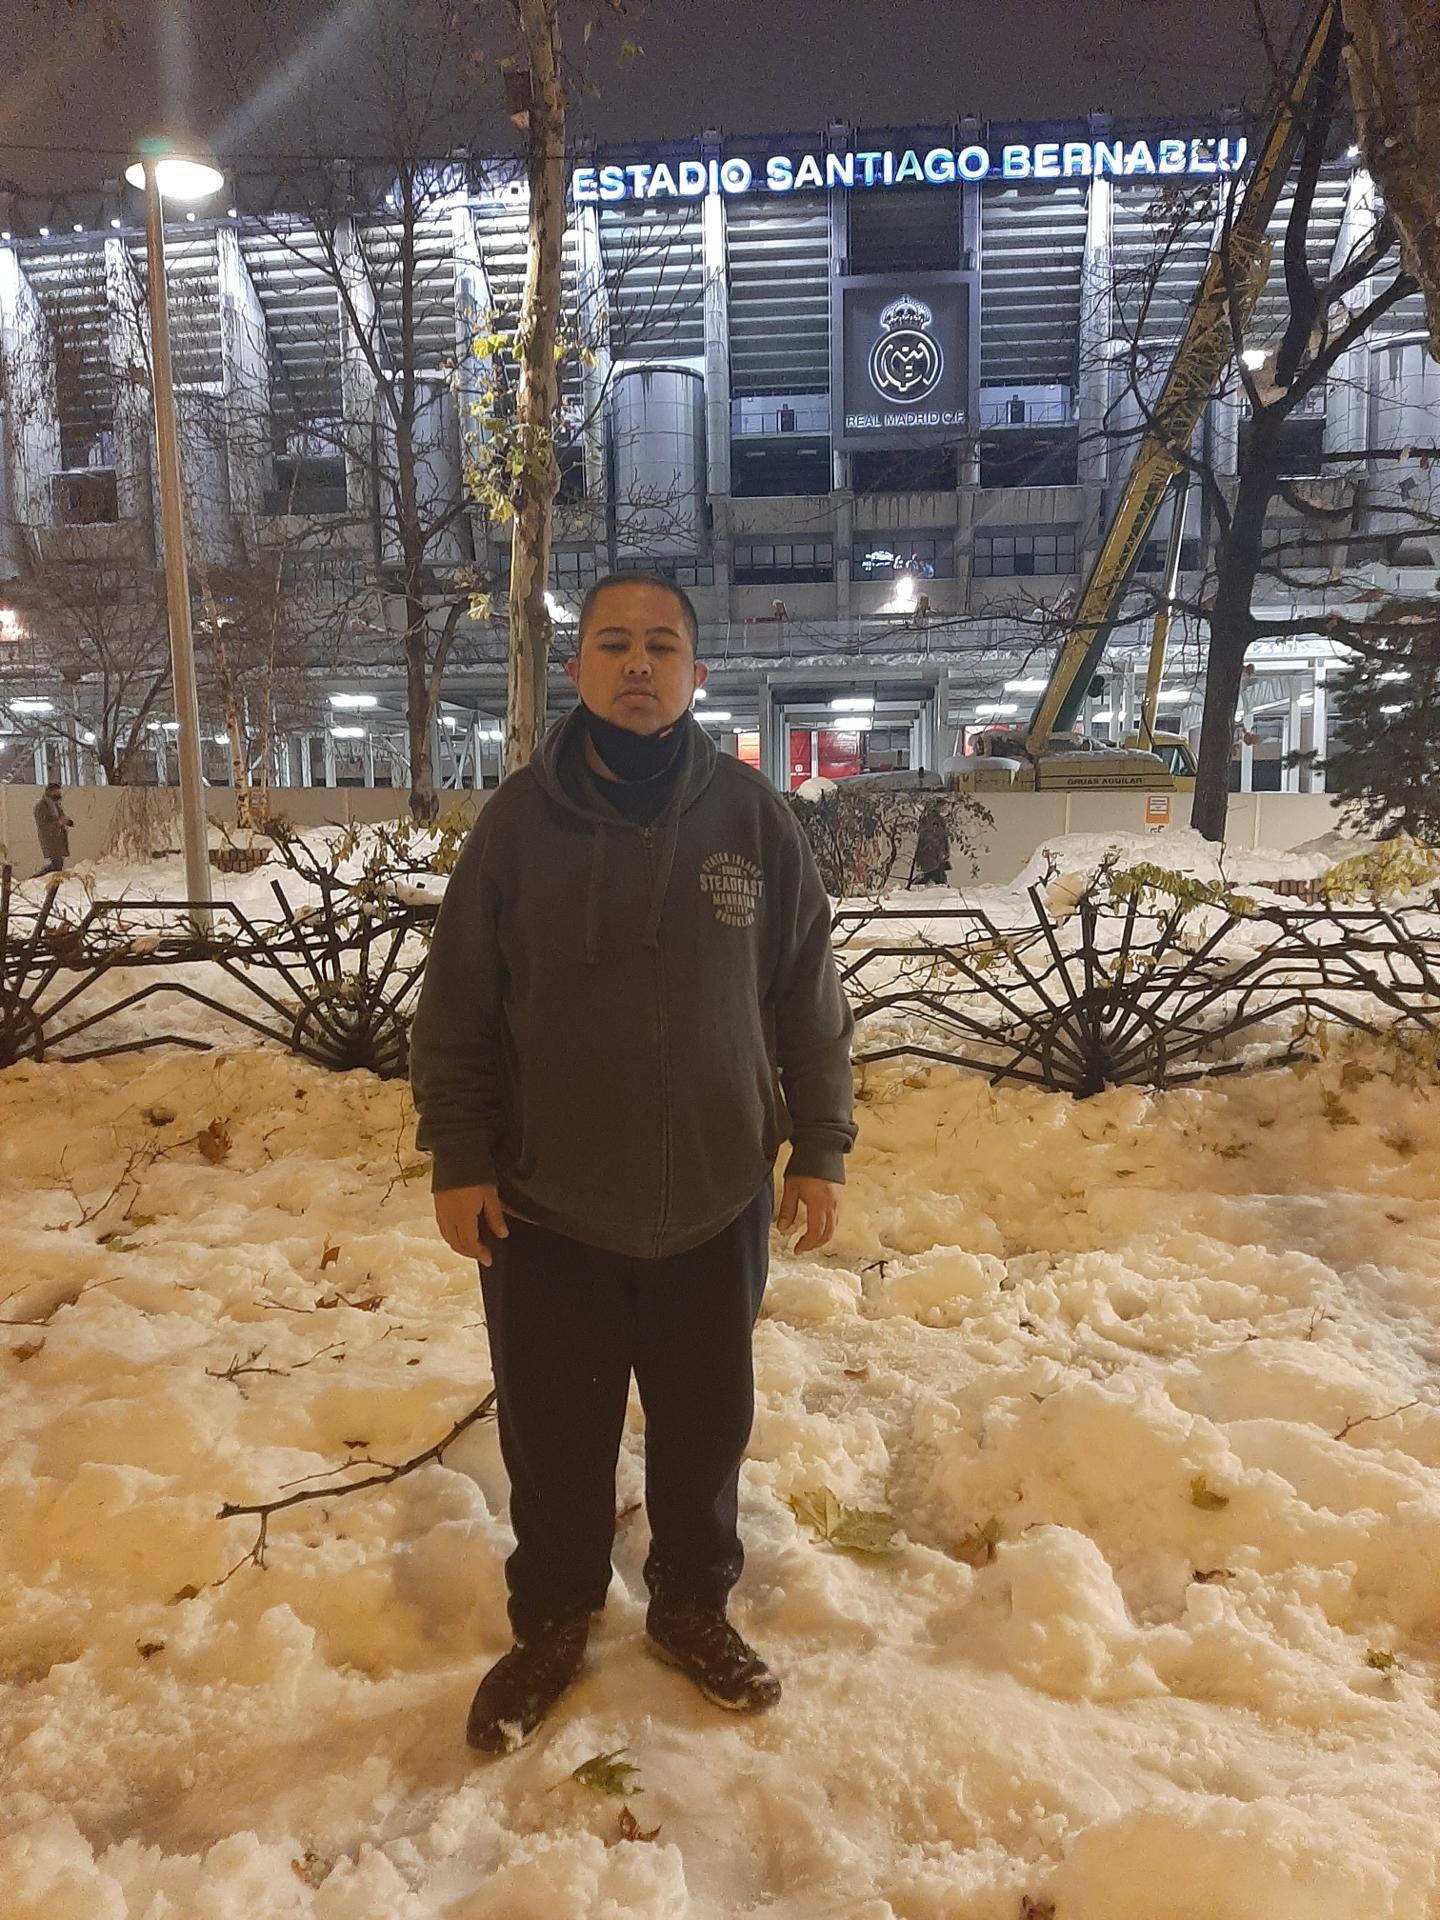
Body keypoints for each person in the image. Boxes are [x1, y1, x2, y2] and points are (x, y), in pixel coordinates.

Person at [409, 571, 856, 1755]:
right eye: (614, 644)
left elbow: (809, 998)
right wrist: (458, 1154)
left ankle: (692, 1606)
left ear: (697, 672)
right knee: (555, 1441)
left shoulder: (753, 820)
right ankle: (554, 1619)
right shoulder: (519, 825)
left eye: (662, 644)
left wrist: (821, 1144)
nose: (639, 663)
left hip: (716, 1199)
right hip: (546, 1208)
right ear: (579, 669)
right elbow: (457, 1007)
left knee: (706, 1431)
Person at [33, 781, 74, 877]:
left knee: (58, 864)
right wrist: (58, 823)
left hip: (59, 839)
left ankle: (43, 878)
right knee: (56, 865)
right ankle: (36, 877)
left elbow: (61, 817)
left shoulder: (56, 805)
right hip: (50, 838)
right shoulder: (41, 806)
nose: (59, 794)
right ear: (49, 792)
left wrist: (67, 821)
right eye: (56, 792)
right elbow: (42, 824)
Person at [913, 798, 951, 887]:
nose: (945, 808)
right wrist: (938, 847)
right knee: (935, 873)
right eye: (943, 806)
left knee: (935, 874)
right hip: (931, 852)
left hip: (937, 853)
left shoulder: (939, 818)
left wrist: (945, 851)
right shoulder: (929, 818)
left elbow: (943, 836)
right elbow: (926, 834)